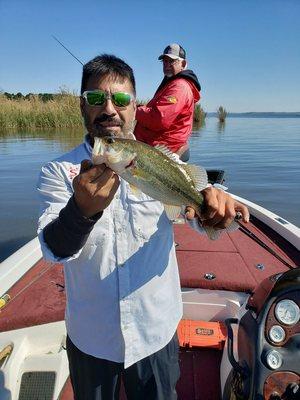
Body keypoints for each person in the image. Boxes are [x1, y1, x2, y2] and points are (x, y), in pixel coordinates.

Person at [37, 54, 249, 400]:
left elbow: (196, 202)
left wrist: (217, 206)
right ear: (82, 106)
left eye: (121, 99)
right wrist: (81, 211)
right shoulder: (58, 172)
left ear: (136, 107)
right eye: (95, 98)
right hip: (92, 338)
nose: (109, 109)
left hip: (155, 333)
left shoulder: (161, 161)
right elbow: (53, 249)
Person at [134, 43, 201, 161]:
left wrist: (133, 109)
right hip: (157, 149)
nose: (167, 65)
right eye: (164, 61)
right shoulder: (172, 84)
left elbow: (159, 119)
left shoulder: (179, 87)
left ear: (183, 64)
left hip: (163, 153)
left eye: (172, 61)